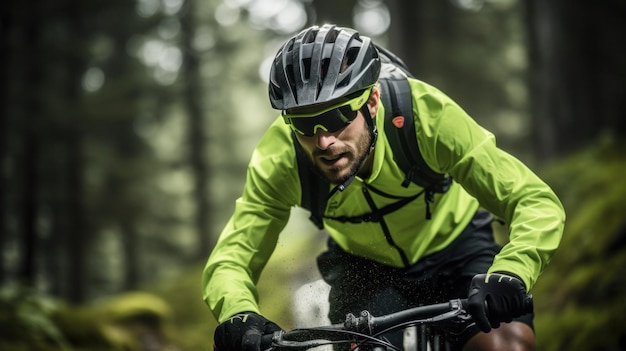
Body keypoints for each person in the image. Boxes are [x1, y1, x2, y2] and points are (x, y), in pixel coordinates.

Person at [204, 24, 565, 351]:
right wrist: (237, 313)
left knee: (506, 347)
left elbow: (533, 200)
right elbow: (232, 257)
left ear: (372, 102)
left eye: (335, 116)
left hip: (458, 248)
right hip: (365, 267)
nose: (323, 140)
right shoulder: (282, 159)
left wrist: (512, 272)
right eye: (304, 125)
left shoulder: (426, 116)